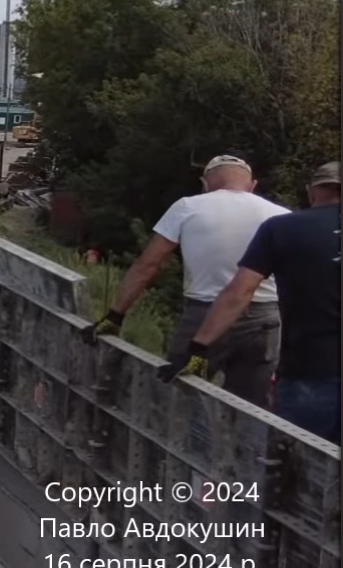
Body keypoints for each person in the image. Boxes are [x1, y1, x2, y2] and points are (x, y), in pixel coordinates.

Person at [91, 155, 288, 407]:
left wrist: (115, 315)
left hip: (204, 316)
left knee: (179, 398)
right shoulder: (281, 215)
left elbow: (148, 265)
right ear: (253, 185)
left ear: (205, 184)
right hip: (264, 320)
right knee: (249, 408)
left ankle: (188, 433)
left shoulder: (187, 207)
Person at [184, 163, 341, 442]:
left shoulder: (282, 228)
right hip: (311, 373)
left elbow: (239, 293)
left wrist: (199, 348)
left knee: (297, 461)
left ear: (311, 191)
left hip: (310, 371)